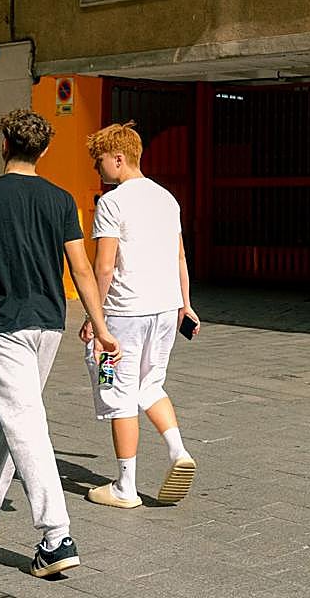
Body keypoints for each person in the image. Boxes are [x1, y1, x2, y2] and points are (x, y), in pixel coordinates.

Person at [0, 108, 120, 578]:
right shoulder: (61, 200)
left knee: (24, 420)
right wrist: (101, 328)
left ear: (4, 145)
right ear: (44, 151)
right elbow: (80, 270)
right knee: (12, 416)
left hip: (3, 322)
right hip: (49, 324)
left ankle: (56, 537)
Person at [79, 121, 199, 509]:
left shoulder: (112, 202)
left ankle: (125, 486)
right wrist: (186, 304)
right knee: (151, 385)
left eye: (99, 162)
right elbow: (180, 256)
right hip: (165, 309)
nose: (97, 169)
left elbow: (104, 267)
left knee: (119, 394)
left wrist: (94, 318)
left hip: (124, 314)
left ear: (118, 158)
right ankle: (178, 452)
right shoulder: (167, 198)